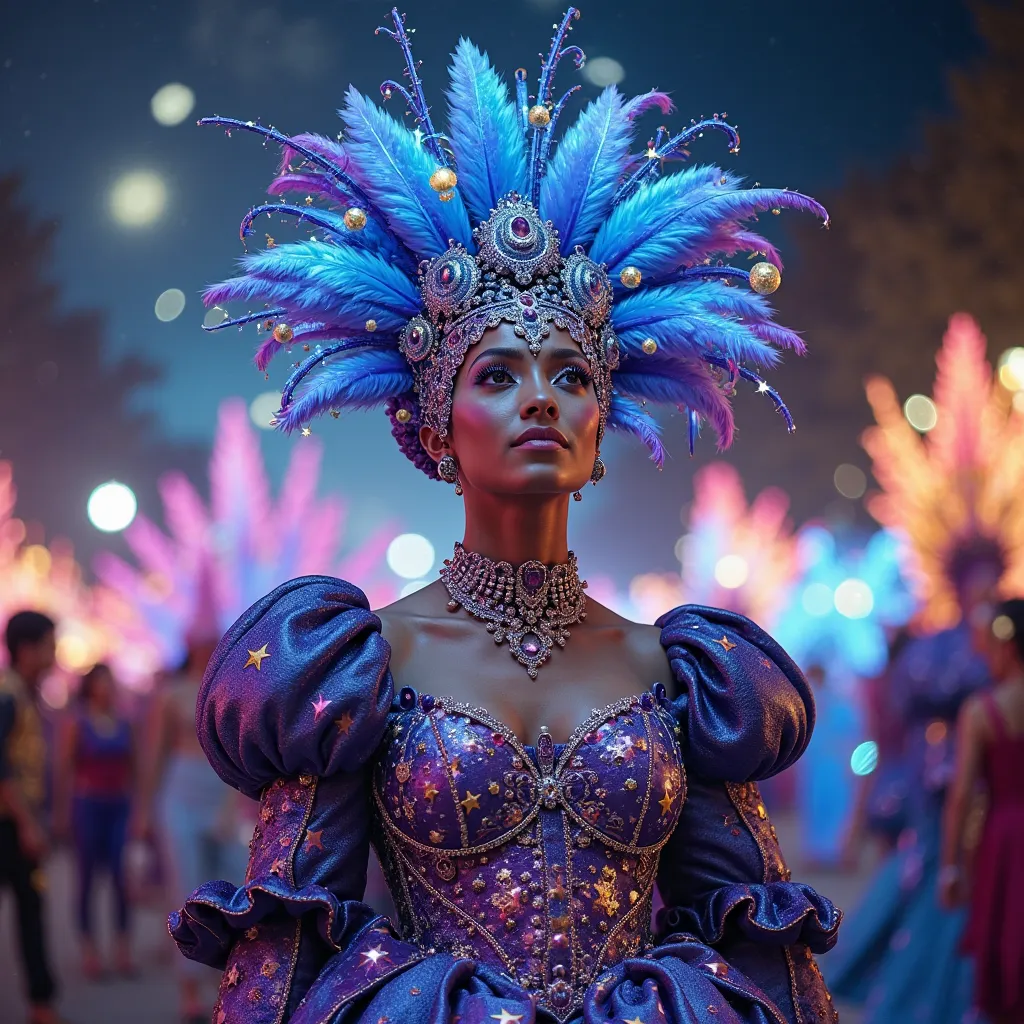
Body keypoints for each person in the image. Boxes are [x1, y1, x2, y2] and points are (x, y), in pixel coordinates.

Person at [167, 9, 840, 1023]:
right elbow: (286, 946)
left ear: (600, 415)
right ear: (436, 420)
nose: (539, 398)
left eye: (569, 373)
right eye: (497, 374)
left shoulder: (681, 669)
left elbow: (756, 936)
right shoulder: (356, 663)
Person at [824, 558, 996, 1021]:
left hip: (975, 791)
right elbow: (891, 728)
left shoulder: (982, 650)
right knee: (924, 878)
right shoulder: (937, 653)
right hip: (931, 787)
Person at [132, 632, 249, 1023]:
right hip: (179, 796)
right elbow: (156, 754)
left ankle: (230, 982)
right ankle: (189, 988)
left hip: (220, 793)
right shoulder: (172, 693)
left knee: (234, 887)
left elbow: (243, 755)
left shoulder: (235, 690)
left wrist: (234, 806)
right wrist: (144, 812)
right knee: (185, 887)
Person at [941, 598, 1024, 1022]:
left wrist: (952, 866)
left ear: (1007, 648)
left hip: (1005, 841)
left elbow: (962, 796)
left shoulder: (981, 711)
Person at [54, 662, 135, 979]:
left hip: (119, 805)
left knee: (120, 877)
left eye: (109, 681)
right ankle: (89, 950)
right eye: (100, 682)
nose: (106, 687)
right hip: (87, 805)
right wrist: (61, 813)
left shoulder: (125, 723)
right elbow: (64, 770)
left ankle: (122, 948)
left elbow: (136, 769)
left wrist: (141, 812)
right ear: (90, 687)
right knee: (86, 879)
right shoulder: (78, 722)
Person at [0, 611, 59, 1024]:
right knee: (30, 909)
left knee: (32, 909)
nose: (55, 653)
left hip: (18, 822)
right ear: (27, 648)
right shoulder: (7, 695)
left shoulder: (25, 693)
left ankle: (41, 1005)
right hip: (7, 826)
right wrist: (27, 823)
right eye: (50, 644)